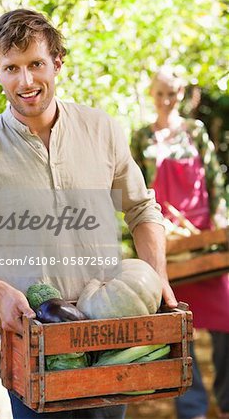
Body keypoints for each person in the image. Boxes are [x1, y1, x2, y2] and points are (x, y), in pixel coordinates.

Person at [0, 10, 177, 419]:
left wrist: (157, 277)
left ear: (57, 63)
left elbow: (141, 208)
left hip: (111, 344)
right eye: (12, 68)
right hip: (34, 352)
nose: (25, 81)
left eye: (35, 64)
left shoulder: (102, 130)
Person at [130, 66, 229, 419]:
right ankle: (193, 409)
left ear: (181, 94)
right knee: (178, 325)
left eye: (172, 93)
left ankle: (228, 399)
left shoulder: (195, 132)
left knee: (226, 320)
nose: (166, 100)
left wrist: (220, 223)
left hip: (203, 241)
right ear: (151, 94)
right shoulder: (142, 138)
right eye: (160, 93)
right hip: (166, 245)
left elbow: (215, 181)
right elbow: (135, 194)